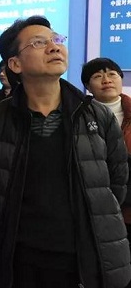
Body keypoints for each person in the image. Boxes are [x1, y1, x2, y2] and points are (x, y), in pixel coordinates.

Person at [0, 16, 130, 288]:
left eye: (57, 39)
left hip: (80, 259)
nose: (54, 47)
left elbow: (116, 182)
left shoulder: (96, 116)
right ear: (15, 64)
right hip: (18, 258)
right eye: (39, 43)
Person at [81, 58, 131, 271]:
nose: (106, 80)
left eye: (112, 74)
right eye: (97, 76)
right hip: (94, 212)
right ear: (87, 85)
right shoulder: (78, 117)